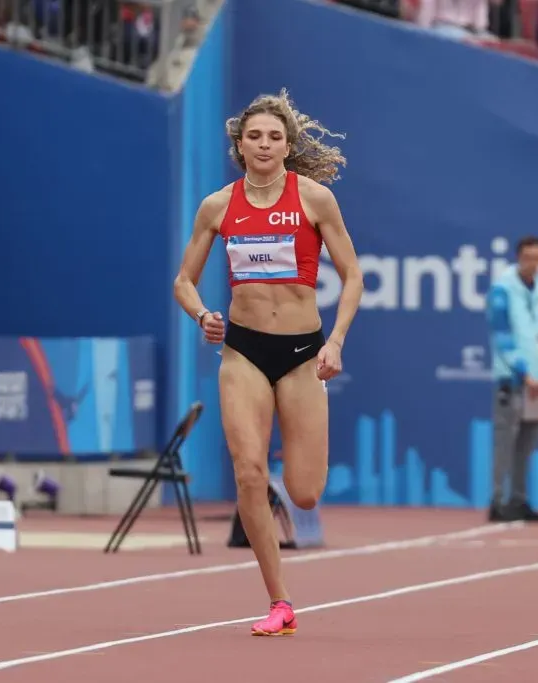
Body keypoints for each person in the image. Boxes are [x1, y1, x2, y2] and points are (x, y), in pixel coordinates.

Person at [173, 89, 364, 636]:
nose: (264, 144)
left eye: (274, 136)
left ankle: (294, 478)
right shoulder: (217, 205)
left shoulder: (315, 199)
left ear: (288, 145)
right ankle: (279, 601)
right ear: (239, 144)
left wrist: (337, 341)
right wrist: (202, 315)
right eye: (254, 136)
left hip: (304, 354)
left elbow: (352, 276)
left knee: (304, 492)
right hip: (243, 351)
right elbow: (184, 280)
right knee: (249, 472)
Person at [485, 235, 538, 524]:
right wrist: (523, 371)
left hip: (537, 381)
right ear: (518, 257)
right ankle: (497, 502)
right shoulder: (502, 288)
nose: (532, 263)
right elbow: (501, 335)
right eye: (527, 258)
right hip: (512, 379)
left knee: (527, 444)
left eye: (537, 258)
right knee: (505, 442)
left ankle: (519, 500)